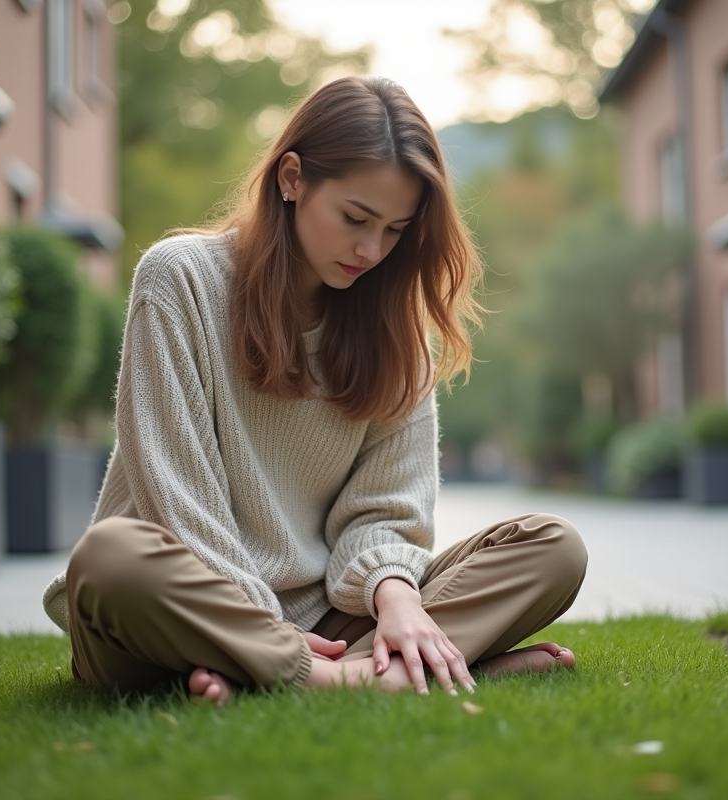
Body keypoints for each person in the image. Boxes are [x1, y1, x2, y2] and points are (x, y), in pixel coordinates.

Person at [41, 76, 587, 705]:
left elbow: (386, 513)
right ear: (292, 178)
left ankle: (277, 676)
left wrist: (399, 600)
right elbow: (177, 501)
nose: (371, 250)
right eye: (355, 218)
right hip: (178, 614)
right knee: (109, 555)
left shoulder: (398, 333)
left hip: (328, 617)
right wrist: (263, 629)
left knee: (553, 548)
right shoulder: (180, 280)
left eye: (395, 230)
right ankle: (359, 680)